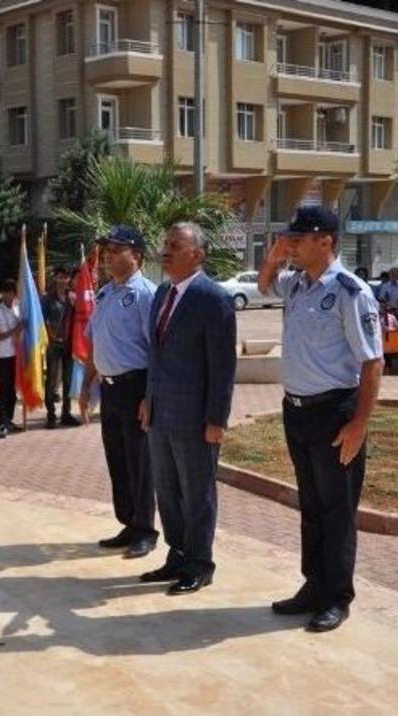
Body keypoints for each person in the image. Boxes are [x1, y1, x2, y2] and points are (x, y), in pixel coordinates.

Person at [257, 206, 383, 633]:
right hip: (297, 412)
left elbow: (372, 363)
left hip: (335, 413)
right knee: (311, 505)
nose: (290, 244)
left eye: (298, 238)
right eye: (289, 238)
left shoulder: (351, 291)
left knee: (337, 508)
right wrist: (273, 258)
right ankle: (313, 586)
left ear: (326, 241)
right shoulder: (296, 285)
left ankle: (337, 596)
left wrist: (359, 424)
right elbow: (262, 284)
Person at [138, 223, 236, 595]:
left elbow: (223, 367)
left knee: (197, 493)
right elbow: (156, 356)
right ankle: (177, 555)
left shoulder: (213, 299)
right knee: (167, 490)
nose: (165, 249)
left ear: (197, 254)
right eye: (165, 243)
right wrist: (148, 400)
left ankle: (199, 563)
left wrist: (216, 420)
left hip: (196, 420)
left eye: (175, 245)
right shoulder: (162, 292)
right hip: (161, 414)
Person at [78, 225, 159, 560]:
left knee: (140, 461)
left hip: (135, 386)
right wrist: (85, 386)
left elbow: (157, 349)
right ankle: (128, 521)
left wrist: (150, 397)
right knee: (118, 459)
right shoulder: (105, 293)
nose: (108, 255)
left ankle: (145, 529)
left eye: (116, 249)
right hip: (109, 389)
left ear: (136, 255)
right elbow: (95, 343)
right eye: (107, 249)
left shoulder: (145, 294)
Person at [42, 266, 79, 428]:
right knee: (51, 381)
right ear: (54, 278)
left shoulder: (72, 298)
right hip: (53, 344)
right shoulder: (47, 299)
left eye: (65, 277)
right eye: (59, 277)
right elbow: (42, 321)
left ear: (68, 279)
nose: (62, 280)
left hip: (69, 344)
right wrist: (51, 337)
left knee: (68, 381)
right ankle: (51, 414)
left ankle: (66, 413)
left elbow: (79, 319)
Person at [0, 279, 21, 437]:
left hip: (17, 354)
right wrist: (15, 330)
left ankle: (10, 418)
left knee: (12, 390)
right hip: (3, 355)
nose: (9, 295)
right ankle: (1, 422)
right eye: (6, 292)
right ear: (2, 294)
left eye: (12, 292)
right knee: (3, 390)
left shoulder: (17, 309)